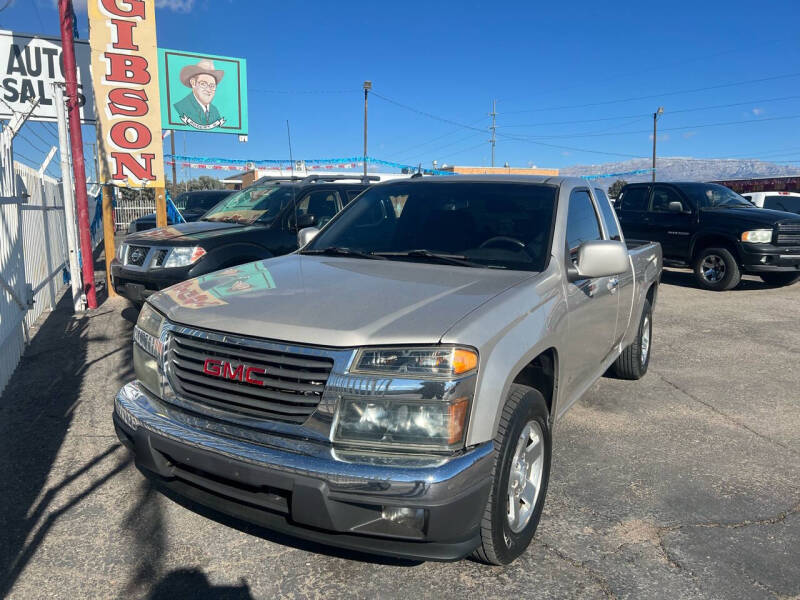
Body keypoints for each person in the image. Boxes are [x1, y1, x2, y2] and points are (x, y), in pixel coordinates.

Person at [173, 59, 225, 129]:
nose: (208, 89)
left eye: (212, 86)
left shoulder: (215, 111)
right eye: (203, 84)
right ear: (193, 83)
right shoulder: (181, 107)